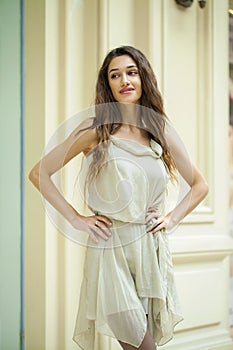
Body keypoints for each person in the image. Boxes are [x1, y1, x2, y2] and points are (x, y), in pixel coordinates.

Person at [29, 46, 209, 350]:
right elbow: (39, 174)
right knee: (141, 346)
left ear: (143, 79)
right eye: (115, 75)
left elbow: (199, 185)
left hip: (149, 250)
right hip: (110, 250)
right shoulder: (95, 130)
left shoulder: (158, 130)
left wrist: (170, 217)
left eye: (131, 72)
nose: (124, 80)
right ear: (108, 84)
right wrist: (76, 217)